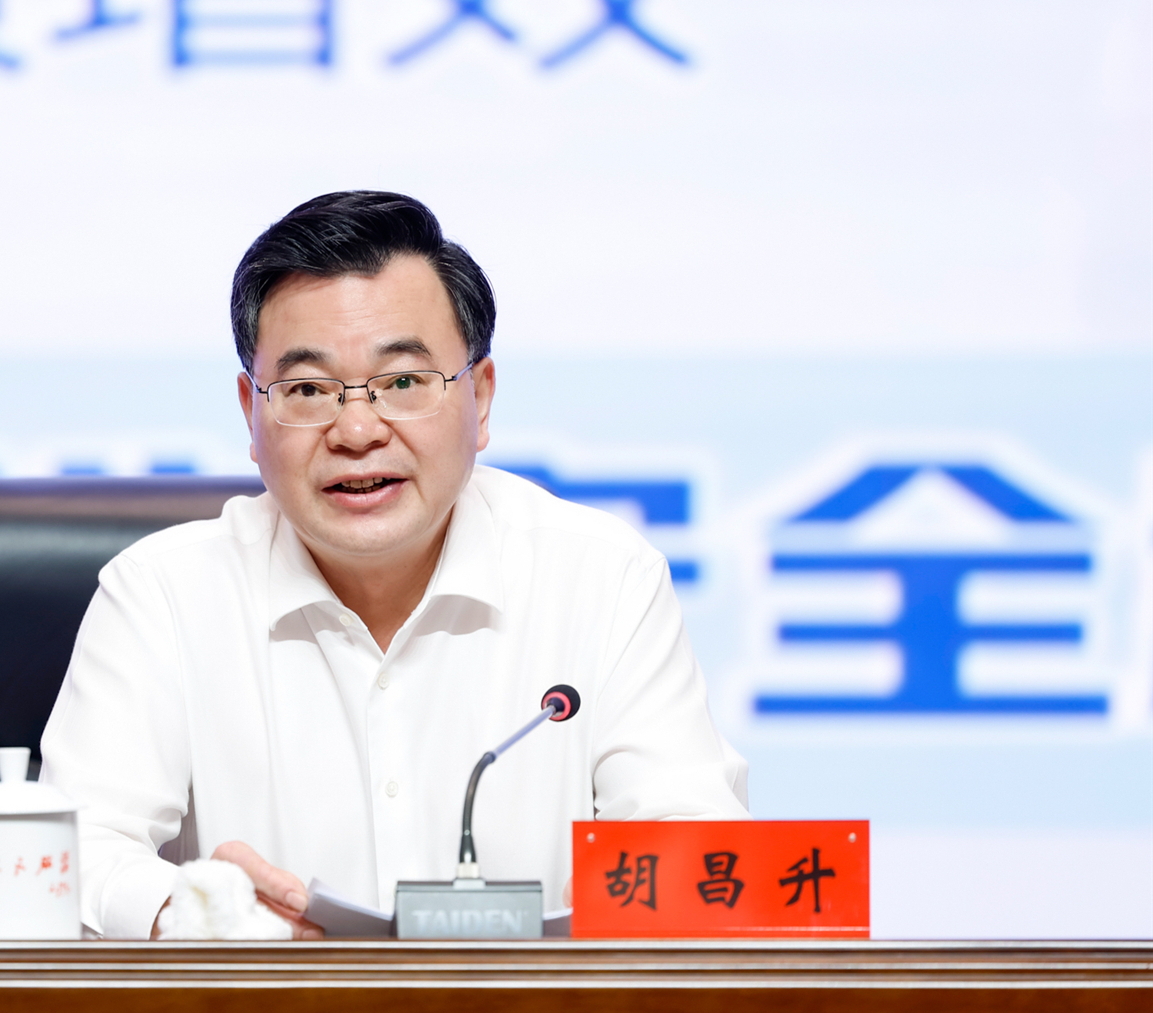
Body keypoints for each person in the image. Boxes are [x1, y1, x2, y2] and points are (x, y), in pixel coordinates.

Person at [39, 191, 748, 940]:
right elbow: (71, 852)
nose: (356, 429)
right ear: (251, 411)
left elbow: (698, 841)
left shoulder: (603, 579)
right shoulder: (162, 595)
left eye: (403, 382)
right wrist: (199, 913)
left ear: (480, 396)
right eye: (307, 389)